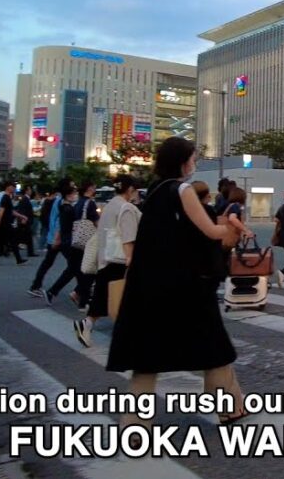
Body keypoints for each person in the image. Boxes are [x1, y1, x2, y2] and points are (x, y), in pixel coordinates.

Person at [107, 137, 243, 428]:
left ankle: (133, 426)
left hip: (150, 286)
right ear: (183, 161)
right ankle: (229, 407)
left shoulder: (155, 191)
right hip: (185, 287)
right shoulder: (182, 189)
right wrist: (233, 227)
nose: (194, 163)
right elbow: (208, 230)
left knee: (147, 359)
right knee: (214, 346)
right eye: (192, 158)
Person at [74, 175, 142, 348]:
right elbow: (128, 237)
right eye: (135, 190)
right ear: (130, 190)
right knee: (120, 299)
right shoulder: (126, 207)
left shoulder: (110, 205)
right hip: (120, 260)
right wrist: (130, 259)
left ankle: (87, 325)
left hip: (107, 258)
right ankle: (124, 336)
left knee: (103, 298)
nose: (136, 194)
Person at [30, 179, 73, 297]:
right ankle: (80, 291)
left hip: (53, 237)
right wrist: (57, 238)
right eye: (72, 186)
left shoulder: (56, 200)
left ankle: (35, 286)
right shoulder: (62, 202)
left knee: (47, 263)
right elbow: (60, 222)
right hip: (59, 238)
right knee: (75, 265)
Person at [43, 185, 80, 306]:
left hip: (66, 241)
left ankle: (79, 293)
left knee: (74, 268)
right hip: (69, 242)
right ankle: (54, 291)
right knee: (76, 268)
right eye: (74, 193)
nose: (76, 195)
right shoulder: (67, 209)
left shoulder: (64, 207)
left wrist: (57, 239)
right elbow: (62, 226)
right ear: (68, 195)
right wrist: (56, 239)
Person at [0, 184, 25, 265]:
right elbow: (1, 211)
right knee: (11, 240)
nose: (14, 189)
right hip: (4, 223)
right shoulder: (5, 197)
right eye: (13, 187)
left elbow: (10, 211)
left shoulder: (7, 197)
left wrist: (21, 216)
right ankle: (18, 259)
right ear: (8, 187)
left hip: (4, 222)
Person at [15, 186, 38, 258]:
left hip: (26, 219)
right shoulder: (24, 199)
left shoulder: (26, 199)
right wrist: (23, 219)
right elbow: (23, 210)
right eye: (30, 189)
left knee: (28, 236)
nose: (31, 191)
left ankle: (30, 252)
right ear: (26, 191)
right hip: (25, 220)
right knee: (24, 236)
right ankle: (30, 252)